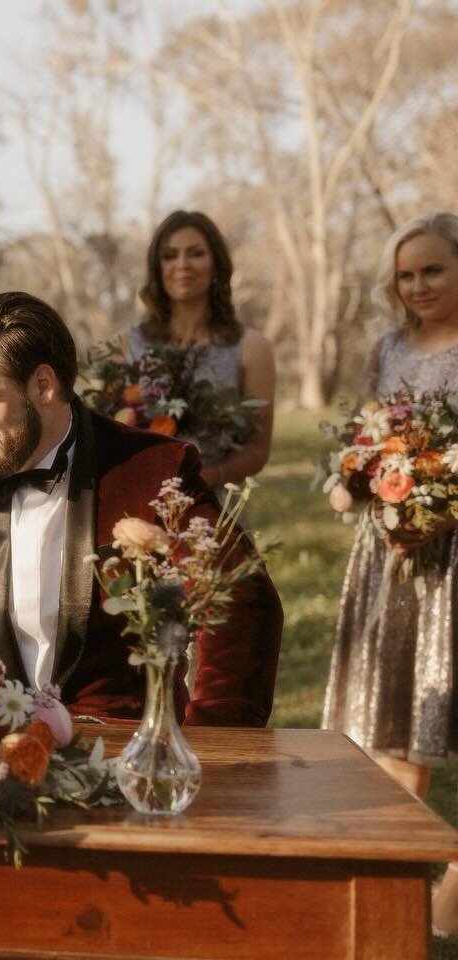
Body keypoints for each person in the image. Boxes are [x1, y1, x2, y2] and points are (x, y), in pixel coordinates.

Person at [0, 291, 283, 727]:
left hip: (122, 748)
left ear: (43, 385)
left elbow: (242, 603)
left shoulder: (152, 469)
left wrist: (213, 746)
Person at [322, 212, 458, 934]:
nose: (418, 286)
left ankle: (442, 888)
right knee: (388, 728)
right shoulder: (386, 350)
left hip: (454, 554)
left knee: (435, 719)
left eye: (433, 269)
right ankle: (406, 893)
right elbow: (363, 440)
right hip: (392, 553)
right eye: (406, 274)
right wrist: (352, 476)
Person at [118, 210, 276, 489]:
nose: (182, 264)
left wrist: (208, 477)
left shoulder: (251, 347)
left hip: (214, 507)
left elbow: (257, 450)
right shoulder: (127, 345)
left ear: (216, 263)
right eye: (169, 256)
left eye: (196, 253)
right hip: (140, 502)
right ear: (157, 268)